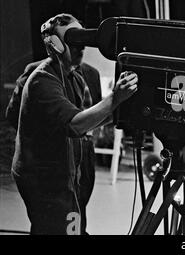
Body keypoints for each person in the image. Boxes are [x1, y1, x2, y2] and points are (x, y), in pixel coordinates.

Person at [11, 13, 138, 235]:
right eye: (73, 41)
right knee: (53, 229)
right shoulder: (42, 80)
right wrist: (115, 99)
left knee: (74, 225)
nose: (81, 48)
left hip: (73, 168)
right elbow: (75, 125)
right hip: (44, 176)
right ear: (55, 45)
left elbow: (90, 119)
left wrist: (125, 106)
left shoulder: (79, 76)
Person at [5, 57, 102, 235]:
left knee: (76, 212)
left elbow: (97, 114)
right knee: (50, 223)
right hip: (49, 159)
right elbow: (14, 114)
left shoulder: (91, 74)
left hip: (83, 153)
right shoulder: (37, 73)